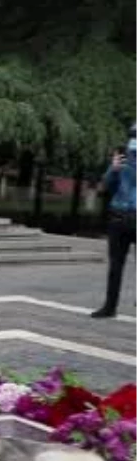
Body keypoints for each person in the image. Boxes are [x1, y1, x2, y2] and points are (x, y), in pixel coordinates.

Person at [92, 129, 137, 319]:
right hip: (118, 219)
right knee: (115, 266)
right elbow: (101, 189)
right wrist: (113, 168)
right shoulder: (121, 160)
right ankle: (110, 307)